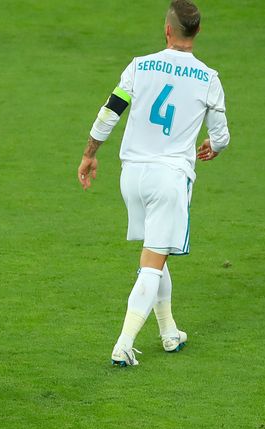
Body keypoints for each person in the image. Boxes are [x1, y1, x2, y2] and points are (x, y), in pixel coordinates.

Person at [77, 0, 230, 366]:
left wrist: (89, 154)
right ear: (198, 32)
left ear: (167, 30)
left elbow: (109, 112)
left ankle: (168, 332)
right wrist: (213, 146)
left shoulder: (139, 66)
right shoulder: (208, 78)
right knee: (152, 262)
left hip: (132, 176)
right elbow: (221, 137)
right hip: (169, 178)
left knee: (155, 255)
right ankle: (124, 343)